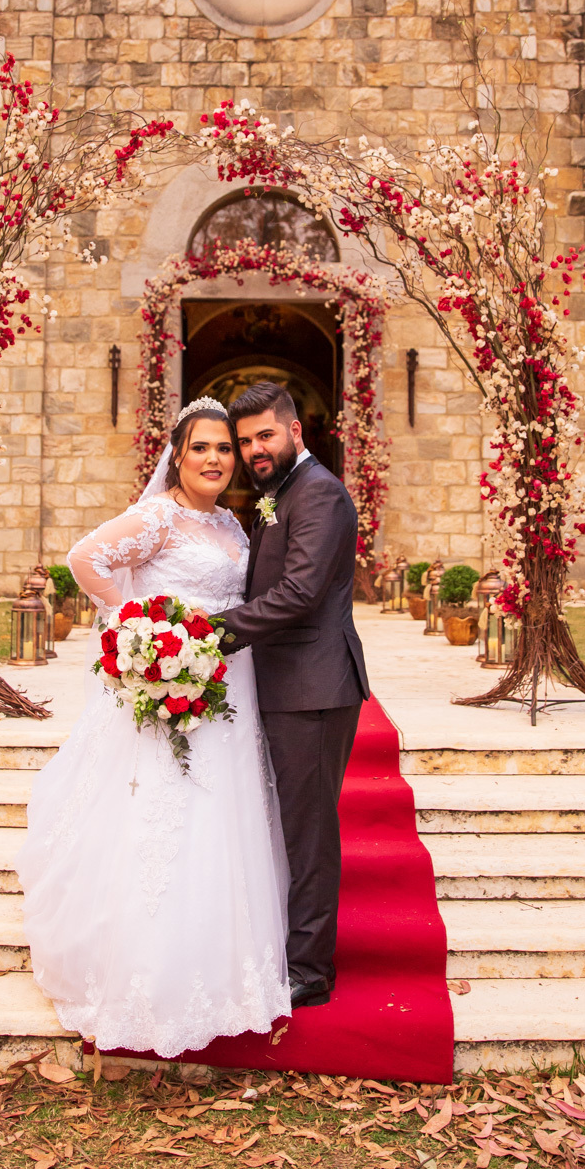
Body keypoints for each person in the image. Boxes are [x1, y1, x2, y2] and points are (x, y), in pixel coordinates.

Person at [15, 398, 290, 1058]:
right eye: (202, 448)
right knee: (167, 814)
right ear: (177, 453)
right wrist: (148, 631)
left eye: (225, 449)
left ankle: (222, 966)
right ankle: (142, 975)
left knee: (225, 817)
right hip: (174, 682)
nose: (216, 459)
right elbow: (86, 559)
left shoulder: (229, 521)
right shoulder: (158, 516)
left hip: (230, 684)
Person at [219, 381, 368, 1009]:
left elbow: (302, 592)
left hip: (314, 685)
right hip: (286, 683)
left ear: (294, 431)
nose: (255, 449)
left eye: (265, 435)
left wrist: (214, 632)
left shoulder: (320, 495)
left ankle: (311, 968)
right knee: (290, 826)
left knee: (308, 832)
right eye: (246, 440)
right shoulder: (282, 494)